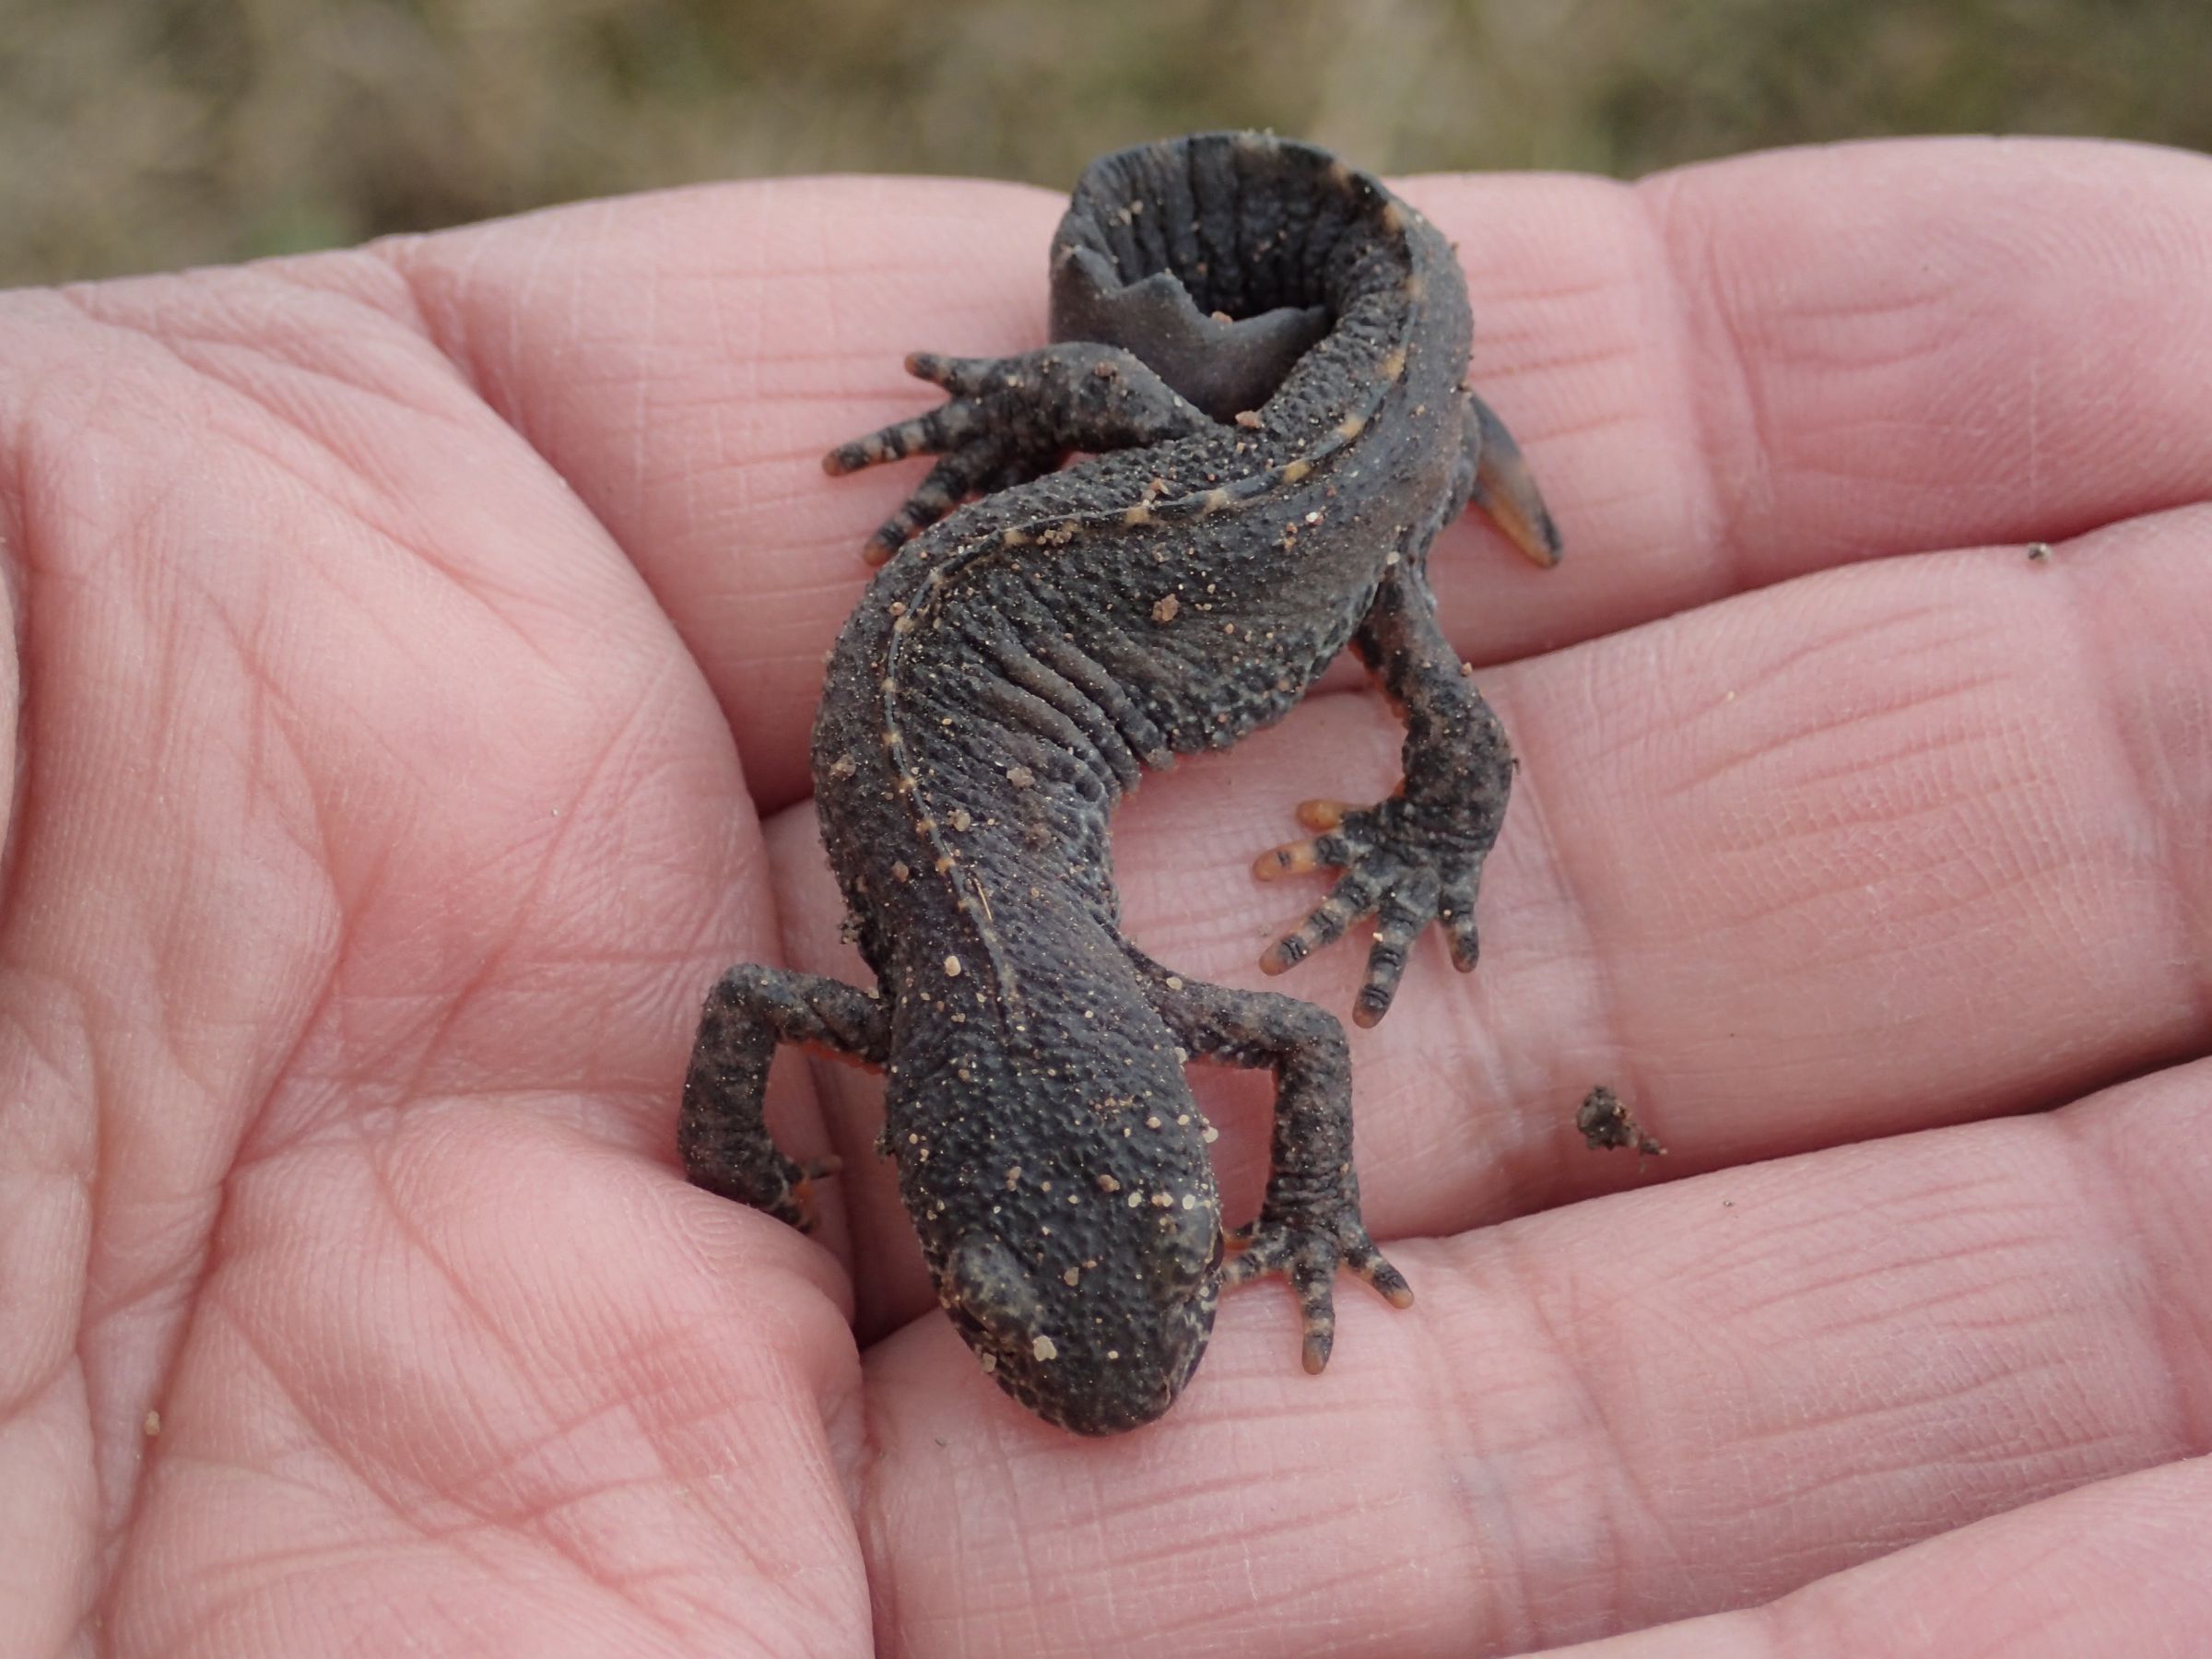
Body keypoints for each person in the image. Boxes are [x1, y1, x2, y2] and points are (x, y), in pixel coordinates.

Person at [2, 136, 2206, 1655]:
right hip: (1109, 593)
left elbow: (776, 1022)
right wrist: (1296, 1216)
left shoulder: (1068, 1019)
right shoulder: (1040, 1021)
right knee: (1330, 542)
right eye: (1189, 1228)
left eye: (1069, 1270)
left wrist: (731, 1161)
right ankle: (1383, 429)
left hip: (1187, 564)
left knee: (1375, 612)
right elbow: (823, 1021)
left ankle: (1382, 420)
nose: (1113, 1309)